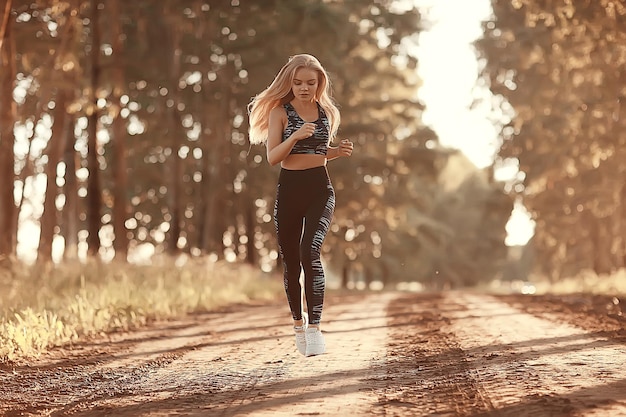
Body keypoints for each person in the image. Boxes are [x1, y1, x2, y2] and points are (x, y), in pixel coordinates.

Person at [248, 54, 353, 357]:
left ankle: (315, 328)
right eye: (298, 82)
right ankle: (298, 324)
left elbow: (320, 153)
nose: (304, 88)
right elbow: (273, 157)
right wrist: (294, 135)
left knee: (311, 252)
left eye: (310, 82)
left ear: (320, 82)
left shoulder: (326, 112)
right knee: (291, 263)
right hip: (289, 190)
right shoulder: (280, 113)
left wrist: (338, 152)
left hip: (320, 188)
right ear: (289, 82)